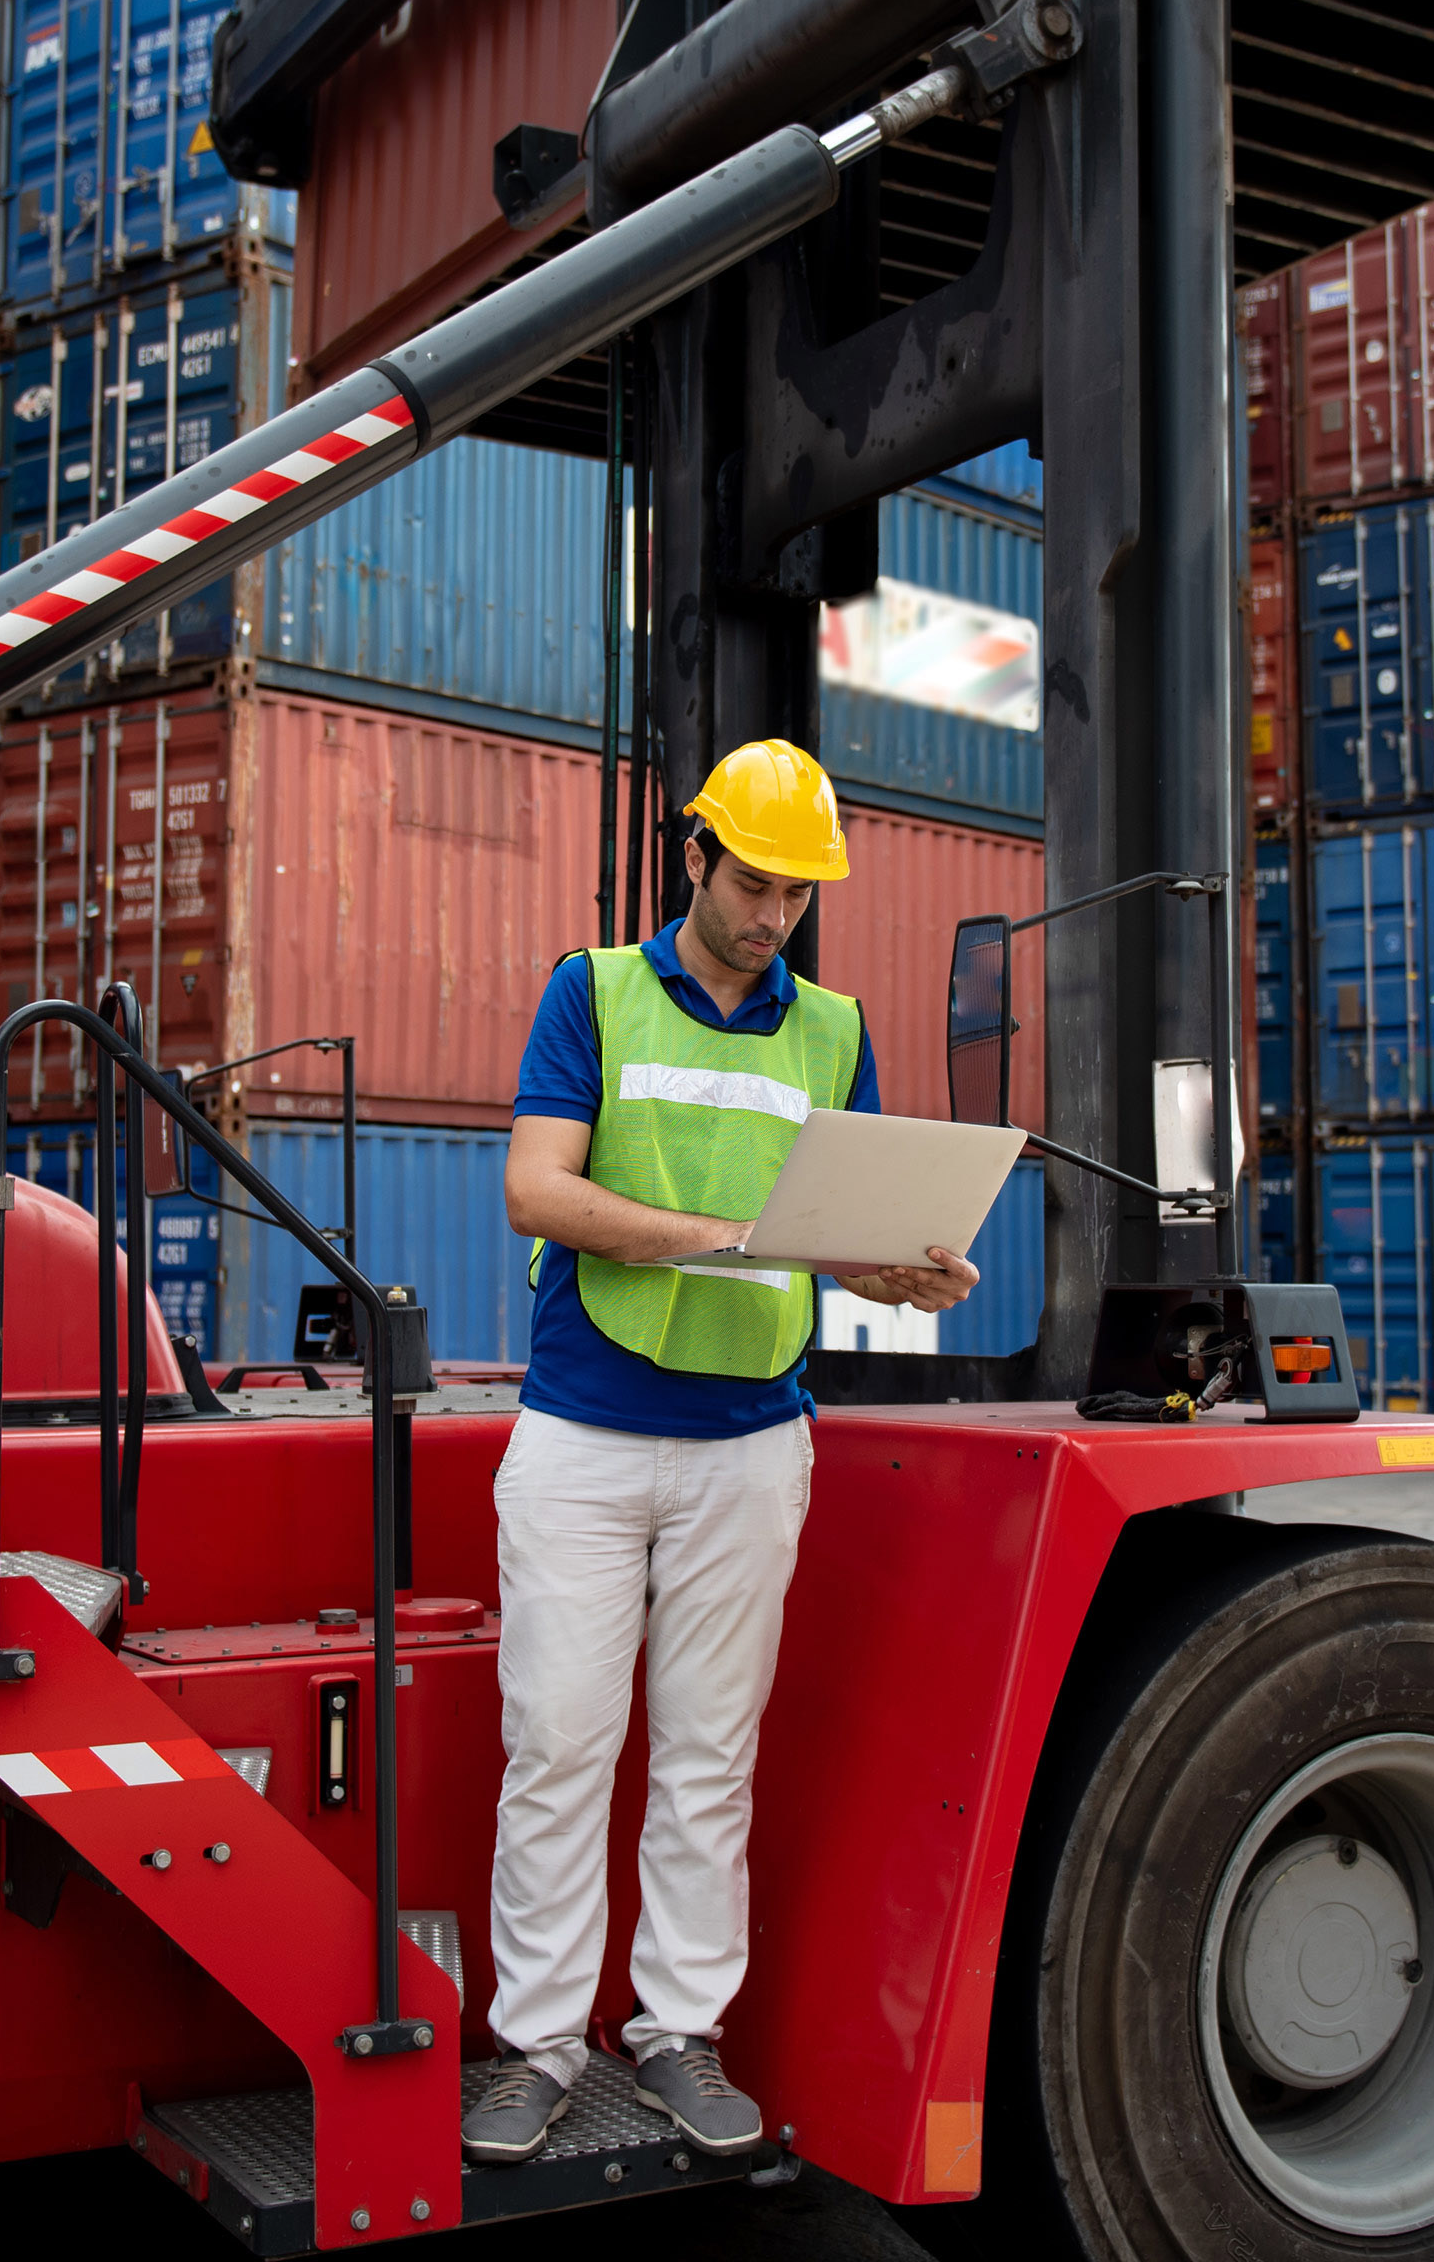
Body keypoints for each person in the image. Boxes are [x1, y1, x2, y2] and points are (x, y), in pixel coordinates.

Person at [466, 740, 979, 2165]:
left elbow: (839, 1233)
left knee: (708, 1756)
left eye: (798, 893)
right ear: (694, 857)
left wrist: (902, 1276)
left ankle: (678, 2034)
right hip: (584, 1432)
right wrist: (720, 1238)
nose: (773, 916)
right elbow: (535, 1189)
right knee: (560, 1744)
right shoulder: (597, 992)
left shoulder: (834, 1028)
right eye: (755, 882)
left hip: (753, 1440)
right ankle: (535, 2048)